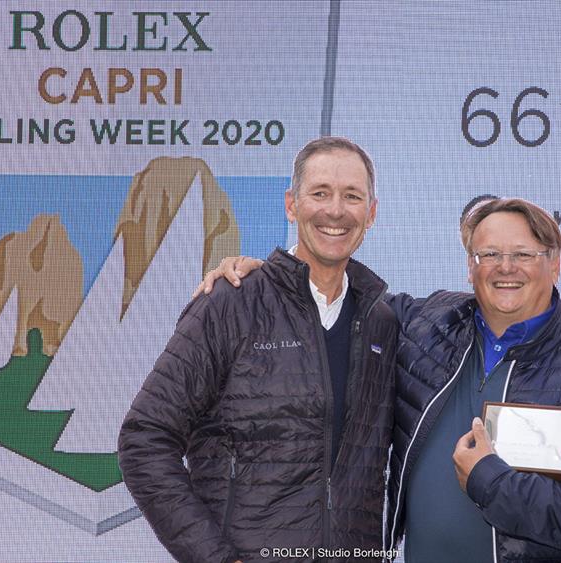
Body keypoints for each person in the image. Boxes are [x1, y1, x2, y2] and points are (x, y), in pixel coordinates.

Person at [198, 197, 561, 562]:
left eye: (524, 254)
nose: (505, 267)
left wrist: (492, 483)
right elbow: (337, 303)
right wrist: (271, 279)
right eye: (489, 254)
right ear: (470, 266)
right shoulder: (423, 326)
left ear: (554, 265)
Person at [118, 137, 399, 563]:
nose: (336, 211)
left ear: (371, 213)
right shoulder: (231, 302)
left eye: (352, 196)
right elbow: (145, 438)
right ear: (291, 205)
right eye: (320, 193)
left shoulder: (383, 323)